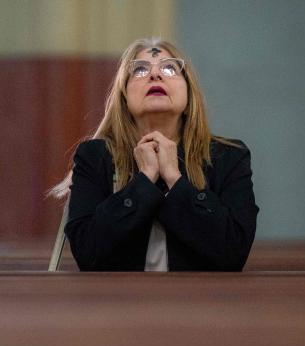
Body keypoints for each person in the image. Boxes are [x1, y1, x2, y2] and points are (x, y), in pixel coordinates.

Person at [50, 38, 258, 271]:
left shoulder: (228, 157)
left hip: (199, 304)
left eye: (170, 68)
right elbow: (88, 253)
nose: (155, 75)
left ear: (189, 94)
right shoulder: (94, 157)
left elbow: (233, 253)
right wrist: (144, 181)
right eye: (140, 69)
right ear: (124, 97)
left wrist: (174, 179)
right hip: (120, 305)